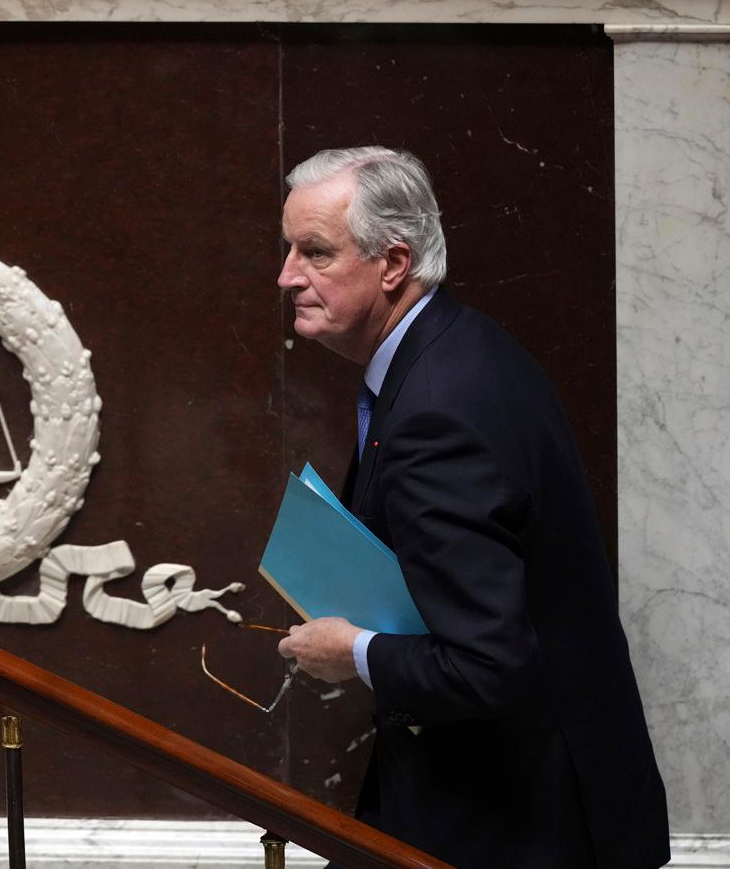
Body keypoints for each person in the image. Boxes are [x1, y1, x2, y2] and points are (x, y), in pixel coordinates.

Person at [273, 147, 668, 869]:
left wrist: (351, 653)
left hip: (515, 824)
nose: (287, 276)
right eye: (289, 249)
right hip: (512, 798)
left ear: (393, 265)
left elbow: (489, 665)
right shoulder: (458, 346)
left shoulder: (437, 409)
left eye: (315, 253)